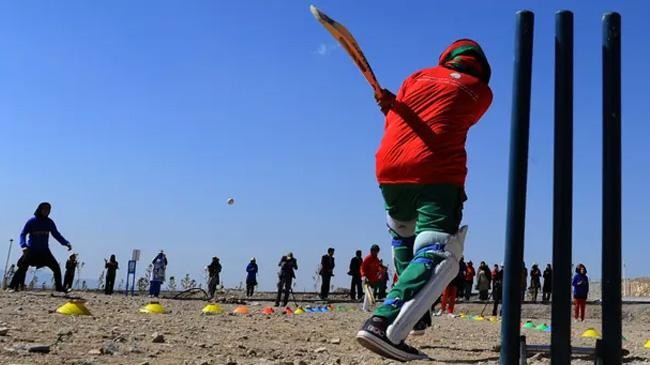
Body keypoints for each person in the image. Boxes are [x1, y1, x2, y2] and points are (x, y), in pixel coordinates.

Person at [355, 39, 493, 361]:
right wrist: (396, 106)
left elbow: (401, 119)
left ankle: (418, 312)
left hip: (389, 169)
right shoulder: (482, 92)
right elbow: (452, 112)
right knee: (438, 251)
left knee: (403, 234)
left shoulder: (415, 77)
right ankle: (383, 322)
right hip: (437, 172)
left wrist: (392, 104)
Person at [9, 202, 72, 293]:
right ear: (40, 210)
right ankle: (11, 287)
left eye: (48, 210)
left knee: (56, 268)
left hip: (45, 251)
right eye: (44, 209)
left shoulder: (49, 222)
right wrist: (23, 246)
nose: (46, 211)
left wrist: (66, 243)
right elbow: (23, 234)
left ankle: (59, 288)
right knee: (22, 268)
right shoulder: (31, 221)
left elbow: (56, 234)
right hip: (31, 251)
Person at [360, 244, 383, 312]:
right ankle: (365, 308)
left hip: (373, 278)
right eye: (374, 251)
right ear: (372, 251)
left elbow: (378, 268)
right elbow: (362, 267)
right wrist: (364, 276)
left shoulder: (376, 259)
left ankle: (365, 307)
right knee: (368, 292)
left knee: (371, 292)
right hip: (366, 277)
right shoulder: (368, 258)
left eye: (377, 251)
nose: (376, 253)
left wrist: (381, 271)